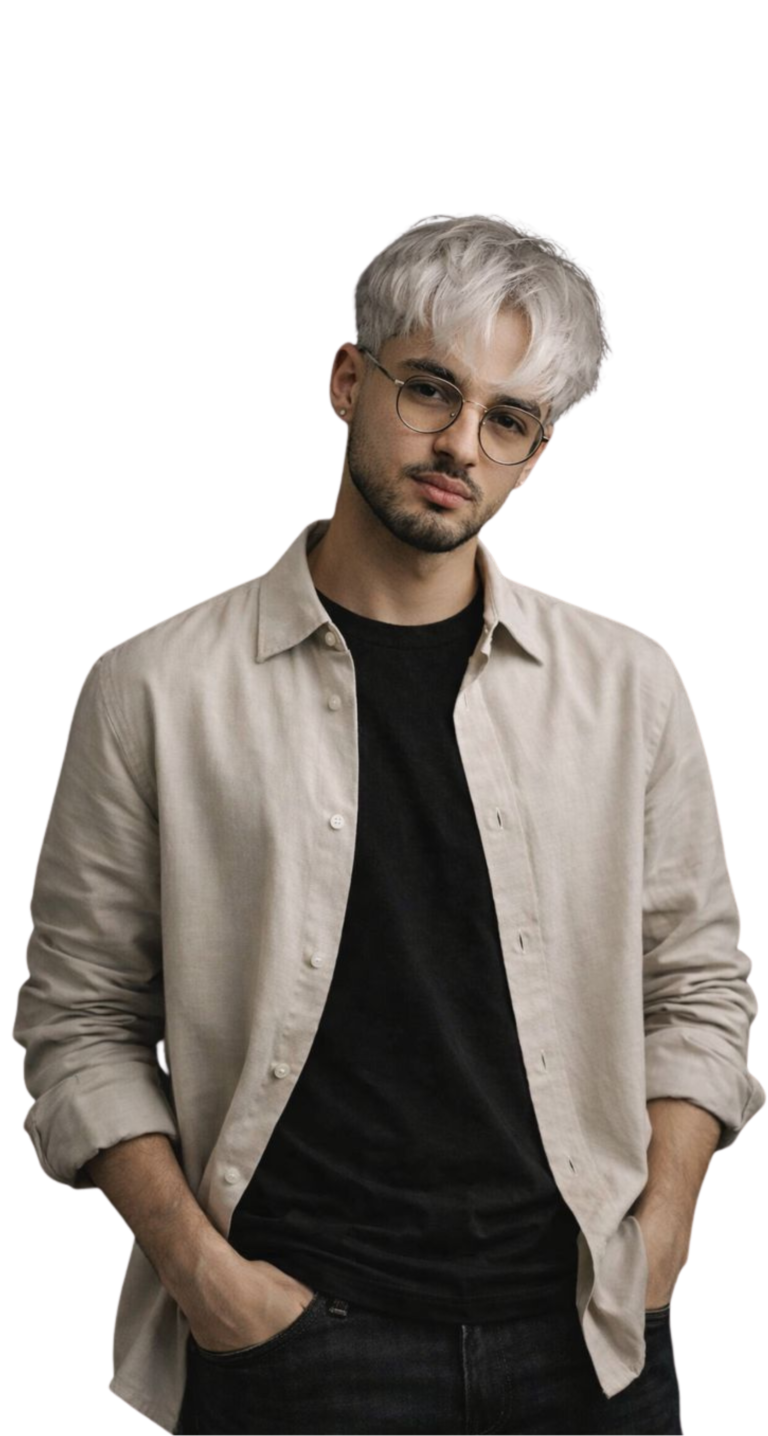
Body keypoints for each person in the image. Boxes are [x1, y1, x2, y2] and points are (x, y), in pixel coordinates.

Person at [11, 212, 765, 1435]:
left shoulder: (630, 685)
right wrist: (206, 1276)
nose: (460, 443)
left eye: (507, 418)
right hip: (296, 1343)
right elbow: (77, 1018)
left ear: (536, 452)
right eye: (430, 389)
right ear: (348, 378)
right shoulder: (151, 689)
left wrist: (663, 1230)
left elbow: (698, 987)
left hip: (590, 1338)